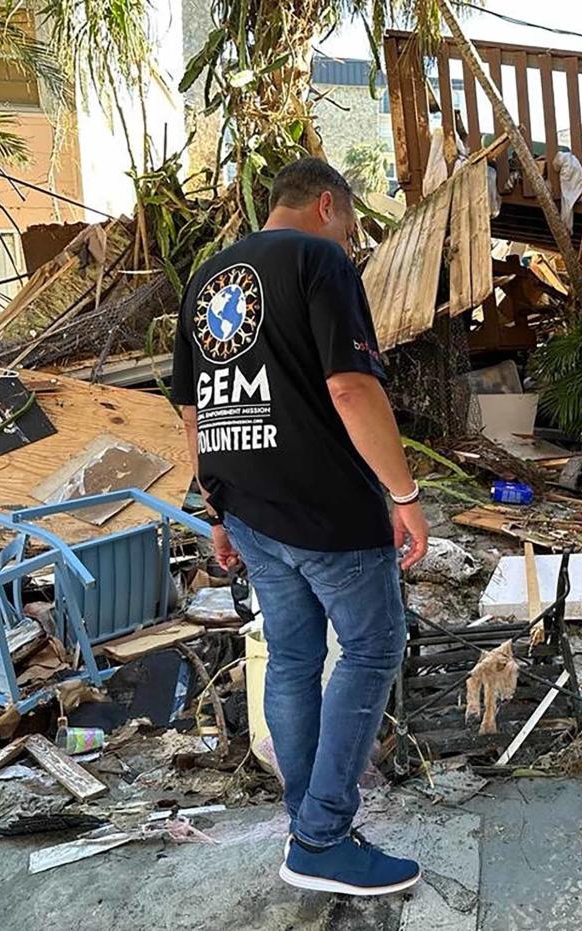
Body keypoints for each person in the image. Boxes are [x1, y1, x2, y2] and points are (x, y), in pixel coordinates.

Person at [171, 158, 429, 895]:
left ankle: (309, 823)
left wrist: (217, 507)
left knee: (290, 658)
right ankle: (319, 835)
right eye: (351, 224)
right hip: (324, 510)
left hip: (248, 508)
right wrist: (403, 491)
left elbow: (193, 411)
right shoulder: (320, 259)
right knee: (375, 644)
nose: (351, 240)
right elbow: (349, 387)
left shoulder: (207, 279)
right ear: (327, 205)